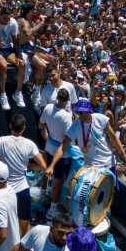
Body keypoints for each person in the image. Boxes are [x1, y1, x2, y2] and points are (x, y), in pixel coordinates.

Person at [0, 113, 47, 233]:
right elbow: (43, 166)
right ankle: (22, 247)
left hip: (4, 189)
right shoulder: (30, 144)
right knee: (24, 221)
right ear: (24, 128)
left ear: (10, 126)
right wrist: (29, 166)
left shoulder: (1, 141)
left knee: (3, 221)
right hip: (22, 189)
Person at [61, 97, 126, 172]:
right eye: (78, 112)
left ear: (88, 111)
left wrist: (125, 157)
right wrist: (52, 165)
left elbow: (114, 138)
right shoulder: (75, 125)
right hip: (91, 167)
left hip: (108, 164)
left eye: (81, 112)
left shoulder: (101, 119)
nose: (79, 115)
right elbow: (63, 145)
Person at [41, 87, 75, 219]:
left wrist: (46, 137)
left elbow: (41, 124)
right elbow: (69, 138)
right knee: (58, 181)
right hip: (62, 153)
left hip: (49, 146)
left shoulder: (48, 107)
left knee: (47, 172)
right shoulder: (67, 117)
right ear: (66, 101)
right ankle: (52, 210)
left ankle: (43, 194)